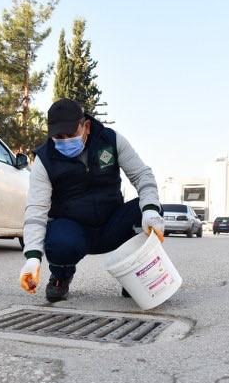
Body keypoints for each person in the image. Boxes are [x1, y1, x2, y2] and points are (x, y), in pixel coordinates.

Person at [19, 98, 164, 302]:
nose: (65, 141)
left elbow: (142, 175)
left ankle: (136, 275)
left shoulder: (111, 141)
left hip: (111, 223)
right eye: (58, 137)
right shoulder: (45, 159)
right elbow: (36, 209)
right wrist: (32, 258)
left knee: (151, 211)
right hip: (74, 230)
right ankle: (61, 275)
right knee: (59, 242)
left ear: (86, 126)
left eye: (71, 134)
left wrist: (150, 210)